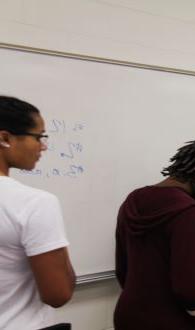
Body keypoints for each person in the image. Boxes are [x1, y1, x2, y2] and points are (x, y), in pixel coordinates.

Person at [114, 138, 195, 330]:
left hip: (130, 314)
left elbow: (123, 269)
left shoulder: (133, 200)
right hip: (175, 319)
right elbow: (189, 288)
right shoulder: (189, 212)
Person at [0, 96, 76, 329]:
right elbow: (58, 294)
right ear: (4, 138)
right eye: (39, 137)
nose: (43, 146)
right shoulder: (34, 203)